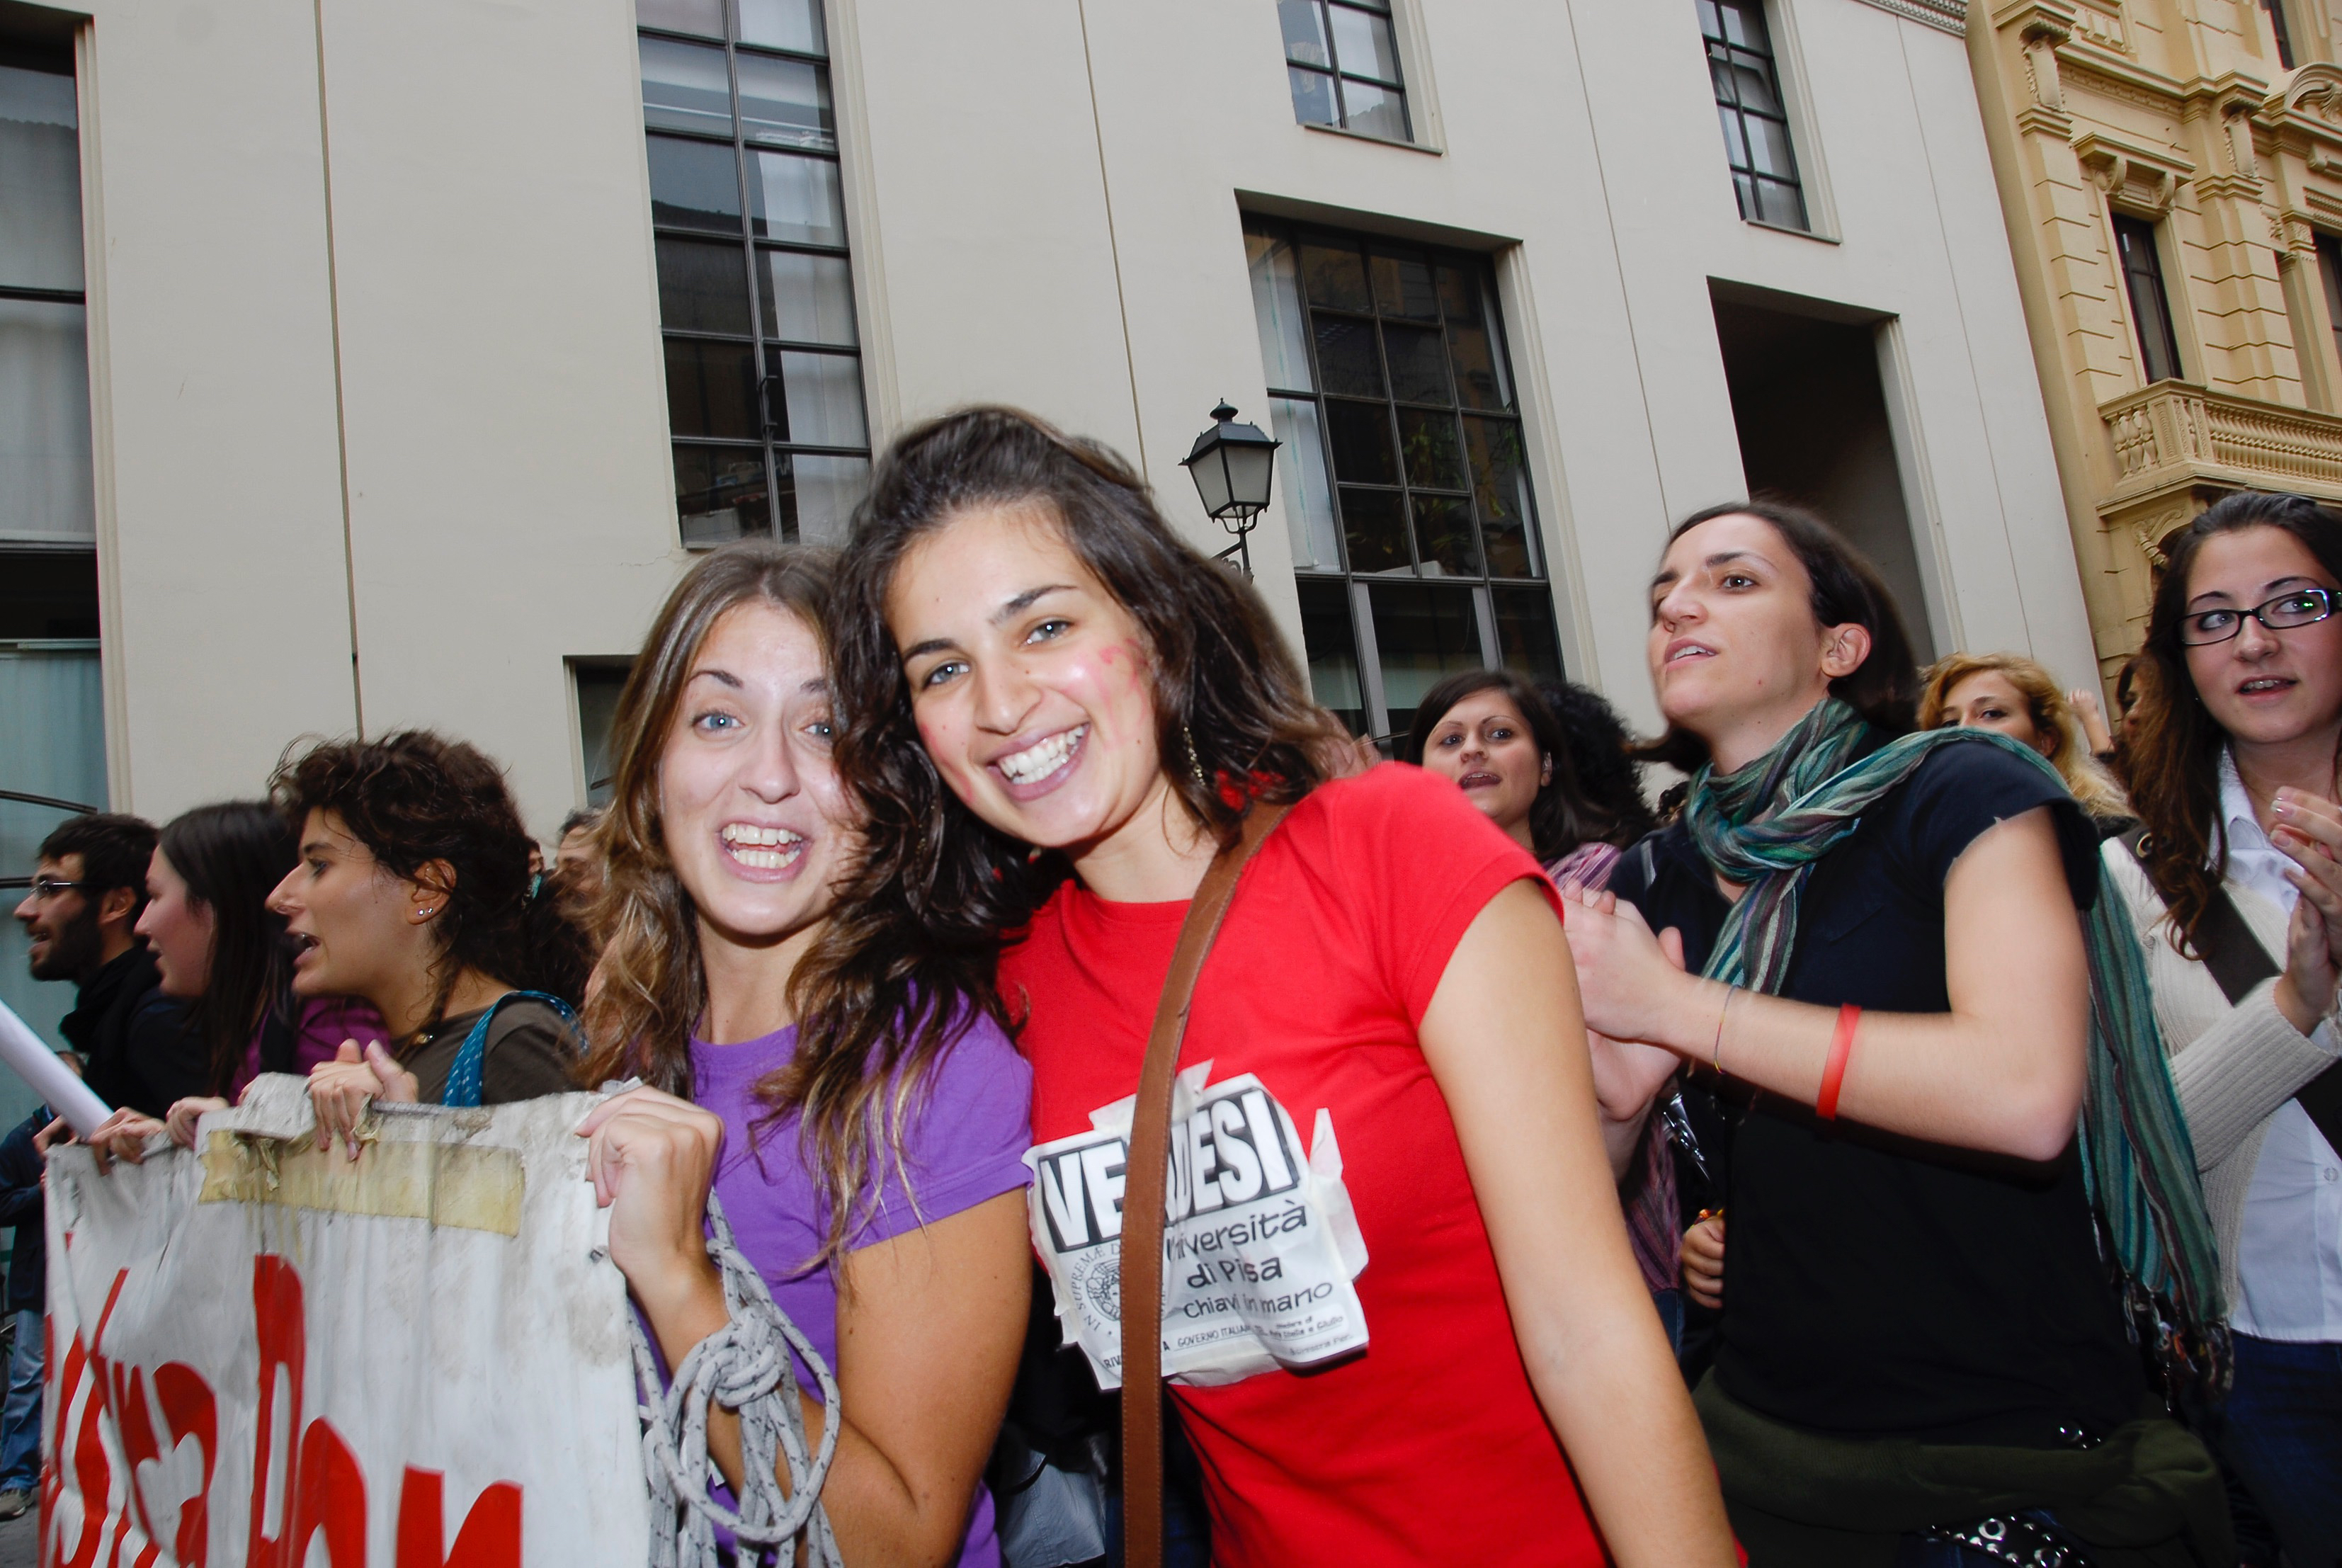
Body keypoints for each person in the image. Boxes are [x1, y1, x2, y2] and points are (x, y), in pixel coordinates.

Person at [830, 406, 1735, 1567]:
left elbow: (1587, 1325)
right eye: (942, 668)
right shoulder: (999, 992)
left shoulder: (1387, 845)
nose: (1000, 704)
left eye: (1045, 625)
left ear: (1151, 626)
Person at [1564, 499, 2227, 1565]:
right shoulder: (1653, 872)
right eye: (1660, 598)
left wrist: (1681, 1011)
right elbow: (1598, 1185)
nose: (1677, 605)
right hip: (1767, 1447)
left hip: (2002, 1449)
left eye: (1731, 580)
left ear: (1839, 645)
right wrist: (1620, 1106)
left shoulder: (1957, 789)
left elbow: (2023, 1094)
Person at [572, 541, 1032, 1566]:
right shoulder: (635, 1034)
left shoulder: (928, 1071)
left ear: (884, 793)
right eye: (718, 718)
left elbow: (898, 1539)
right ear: (650, 770)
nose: (769, 775)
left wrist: (680, 1278)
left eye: (823, 729)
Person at [2102, 491, 2342, 1567]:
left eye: (2292, 602)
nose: (2251, 640)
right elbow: (2136, 1150)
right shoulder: (2132, 873)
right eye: (2209, 617)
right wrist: (2296, 1008)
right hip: (2264, 1354)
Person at [266, 732, 581, 1154]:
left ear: (426, 891)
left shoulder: (514, 1045)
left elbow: (564, 1213)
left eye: (320, 865)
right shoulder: (411, 1054)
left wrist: (408, 1143)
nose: (279, 898)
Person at [85, 802, 387, 1162]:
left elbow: (346, 1168)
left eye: (154, 896)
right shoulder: (253, 1024)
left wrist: (228, 1132)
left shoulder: (327, 1021)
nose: (142, 925)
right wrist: (167, 1144)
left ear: (219, 903)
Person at [11, 813, 202, 1118]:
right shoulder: (121, 1015)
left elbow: (212, 1148)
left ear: (116, 905)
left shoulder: (157, 1019)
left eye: (50, 889)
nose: (24, 910)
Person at [1406, 669, 1639, 887]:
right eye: (1451, 740)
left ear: (1545, 766)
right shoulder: (1399, 894)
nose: (1472, 749)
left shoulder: (1587, 871)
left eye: (1500, 734)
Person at [1917, 652, 2132, 831]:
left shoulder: (2109, 839)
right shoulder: (1933, 849)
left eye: (1991, 713)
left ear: (2046, 740)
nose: (1963, 730)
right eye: (1950, 724)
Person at [0, 1055, 69, 1523]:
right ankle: (16, 1479)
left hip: (88, 1271)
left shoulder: (96, 1124)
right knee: (28, 1378)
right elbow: (3, 1203)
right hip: (37, 1277)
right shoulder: (22, 1141)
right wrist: (43, 1191)